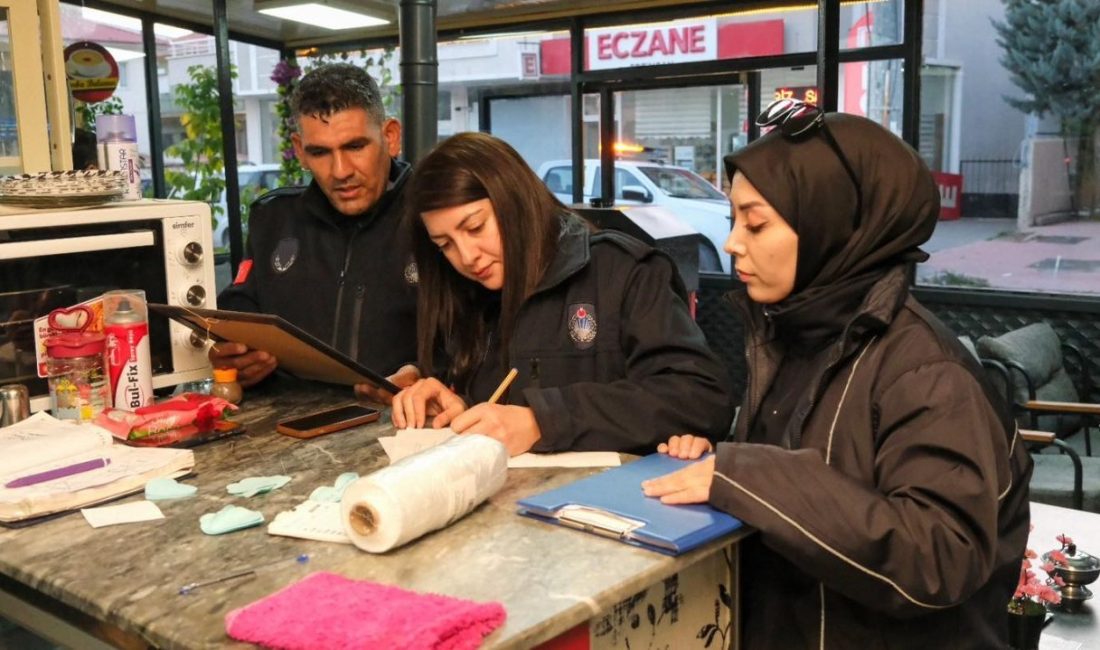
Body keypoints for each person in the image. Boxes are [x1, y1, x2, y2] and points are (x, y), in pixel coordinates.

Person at [642, 101, 1032, 649]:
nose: (732, 243)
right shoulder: (794, 335)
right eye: (733, 220)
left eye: (755, 222)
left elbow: (940, 557)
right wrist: (715, 466)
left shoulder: (927, 373)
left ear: (832, 221)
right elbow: (804, 492)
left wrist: (749, 475)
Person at [390, 132, 734, 456]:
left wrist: (543, 420)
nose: (467, 256)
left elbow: (699, 398)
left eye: (475, 227)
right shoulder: (464, 292)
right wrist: (455, 403)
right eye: (445, 245)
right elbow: (487, 407)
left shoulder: (621, 272)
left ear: (515, 201)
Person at [213, 63, 418, 396]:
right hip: (284, 427)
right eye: (320, 152)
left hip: (405, 427)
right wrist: (233, 356)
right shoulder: (273, 218)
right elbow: (240, 314)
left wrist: (428, 372)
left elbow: (482, 334)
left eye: (355, 147)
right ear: (299, 150)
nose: (340, 171)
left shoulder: (435, 216)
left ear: (390, 137)